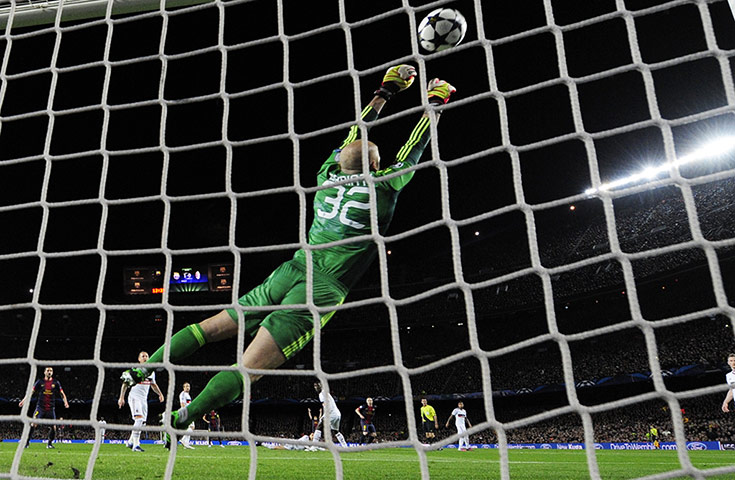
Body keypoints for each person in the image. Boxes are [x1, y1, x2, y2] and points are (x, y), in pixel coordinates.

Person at [119, 65, 456, 447]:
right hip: (321, 289)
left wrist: (385, 91)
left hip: (290, 269)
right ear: (378, 165)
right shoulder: (386, 183)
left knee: (210, 328)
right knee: (250, 368)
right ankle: (181, 418)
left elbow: (354, 136)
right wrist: (435, 101)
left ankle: (141, 367)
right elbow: (414, 148)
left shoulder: (326, 174)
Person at [118, 351, 165, 452]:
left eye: (147, 356)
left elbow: (153, 385)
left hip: (144, 399)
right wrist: (121, 397)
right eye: (143, 356)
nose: (145, 358)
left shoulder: (151, 372)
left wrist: (160, 394)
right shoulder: (135, 370)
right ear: (139, 359)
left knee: (142, 423)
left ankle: (130, 442)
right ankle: (136, 445)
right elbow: (125, 384)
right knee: (138, 420)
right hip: (135, 397)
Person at [19, 366, 70, 449]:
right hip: (40, 408)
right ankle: (27, 442)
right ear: (44, 372)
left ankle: (49, 444)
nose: (49, 372)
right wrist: (24, 400)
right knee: (33, 424)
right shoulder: (40, 382)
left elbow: (62, 393)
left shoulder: (56, 383)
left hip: (51, 409)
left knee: (54, 427)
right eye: (48, 370)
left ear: (52, 372)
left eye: (51, 370)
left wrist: (66, 402)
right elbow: (31, 392)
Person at [312, 382, 348, 448]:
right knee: (336, 431)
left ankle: (314, 446)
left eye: (317, 386)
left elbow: (326, 405)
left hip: (331, 413)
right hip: (337, 414)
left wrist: (325, 415)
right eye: (315, 386)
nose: (316, 388)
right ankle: (345, 446)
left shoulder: (321, 394)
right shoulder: (326, 393)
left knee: (319, 426)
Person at [178, 382, 195, 449]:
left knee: (190, 427)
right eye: (186, 386)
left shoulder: (187, 395)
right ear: (183, 387)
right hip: (186, 412)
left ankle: (186, 444)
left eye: (189, 386)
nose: (188, 387)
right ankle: (183, 439)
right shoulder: (182, 394)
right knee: (191, 427)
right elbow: (182, 404)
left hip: (189, 412)